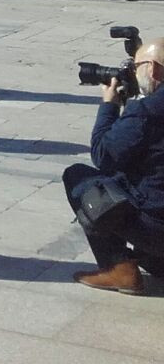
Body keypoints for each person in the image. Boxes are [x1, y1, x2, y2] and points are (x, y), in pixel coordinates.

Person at [61, 37, 164, 295]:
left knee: (79, 177)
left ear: (152, 68)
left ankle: (119, 269)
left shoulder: (147, 111)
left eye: (136, 66)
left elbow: (104, 155)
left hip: (156, 225)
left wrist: (109, 106)